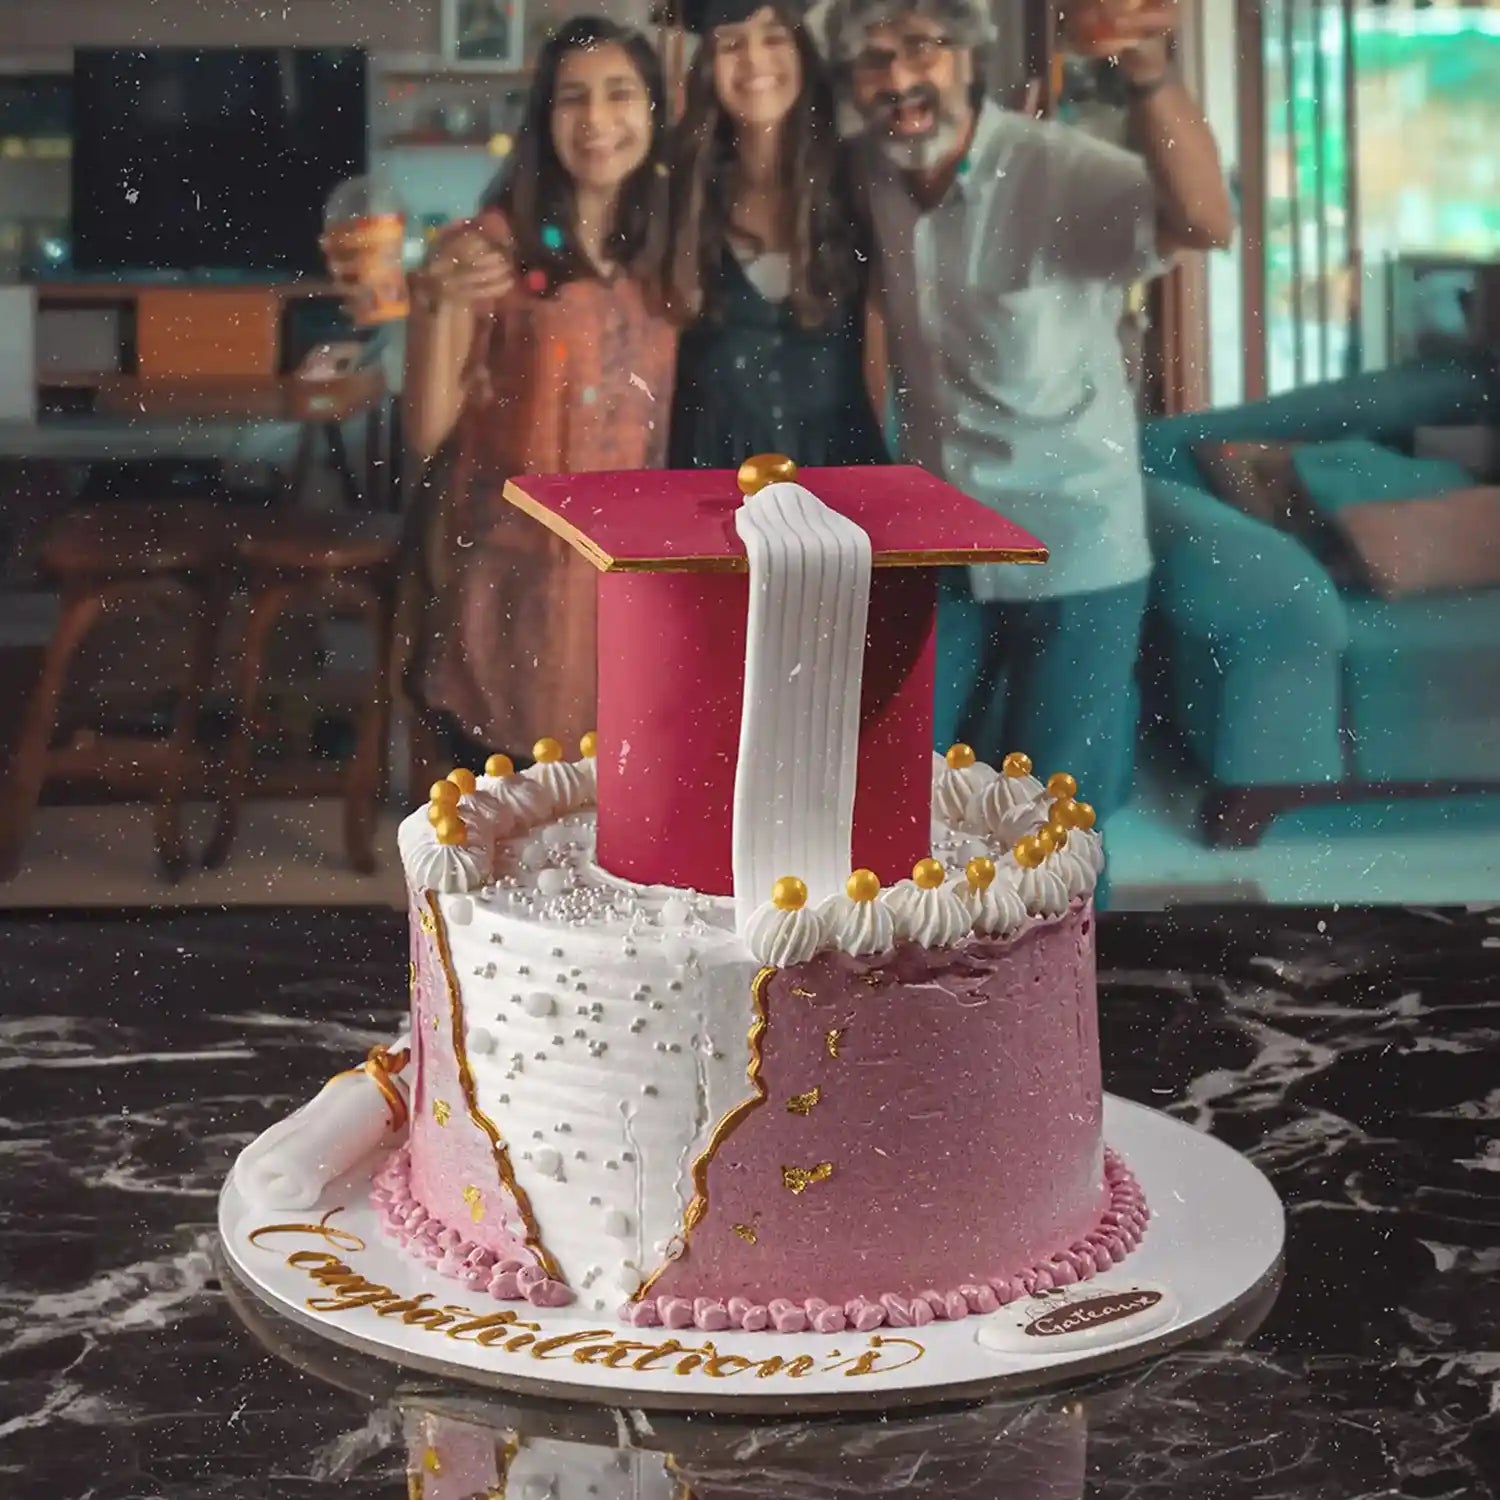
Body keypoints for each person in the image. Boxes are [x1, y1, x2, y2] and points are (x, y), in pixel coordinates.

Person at [823, 0, 1233, 832]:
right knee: (909, 794)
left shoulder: (1057, 168)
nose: (899, 78)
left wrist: (1148, 73)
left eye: (922, 49)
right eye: (874, 60)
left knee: (1054, 818)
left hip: (1073, 543)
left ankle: (1062, 966)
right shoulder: (872, 171)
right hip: (943, 534)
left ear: (968, 60)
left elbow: (1205, 222)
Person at [400, 17, 677, 768]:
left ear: (653, 112)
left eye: (620, 95)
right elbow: (426, 430)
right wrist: (436, 302)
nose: (596, 121)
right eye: (572, 98)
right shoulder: (485, 250)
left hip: (619, 604)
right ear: (544, 118)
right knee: (498, 841)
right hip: (508, 591)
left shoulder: (661, 252)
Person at [663, 0, 887, 469]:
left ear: (803, 50)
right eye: (731, 44)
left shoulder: (858, 179)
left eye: (773, 37)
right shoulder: (679, 188)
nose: (754, 60)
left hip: (839, 476)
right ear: (707, 65)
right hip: (711, 479)